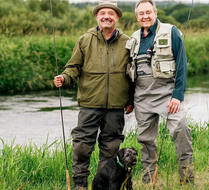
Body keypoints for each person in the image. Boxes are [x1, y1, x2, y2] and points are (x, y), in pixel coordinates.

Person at [53, 0, 134, 189]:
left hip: (116, 106)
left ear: (117, 17)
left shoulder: (128, 42)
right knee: (81, 146)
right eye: (103, 13)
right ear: (97, 16)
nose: (107, 16)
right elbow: (73, 67)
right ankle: (80, 183)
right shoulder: (84, 40)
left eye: (111, 13)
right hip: (89, 103)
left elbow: (132, 74)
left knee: (111, 148)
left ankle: (103, 184)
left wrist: (130, 100)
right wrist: (64, 78)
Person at [125, 0, 195, 186]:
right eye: (141, 13)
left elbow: (182, 66)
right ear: (137, 16)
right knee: (146, 142)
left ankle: (187, 182)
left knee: (181, 133)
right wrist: (130, 100)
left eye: (148, 12)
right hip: (142, 99)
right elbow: (131, 73)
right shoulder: (133, 38)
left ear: (155, 13)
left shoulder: (171, 32)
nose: (145, 16)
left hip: (168, 97)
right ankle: (149, 182)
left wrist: (177, 96)